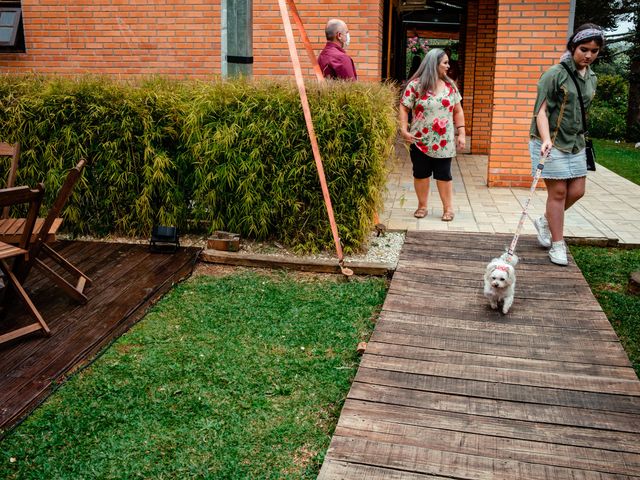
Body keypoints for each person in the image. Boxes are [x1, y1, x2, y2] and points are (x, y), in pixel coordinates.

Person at [530, 23, 604, 266]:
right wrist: (547, 138)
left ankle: (545, 220)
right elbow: (540, 112)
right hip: (550, 141)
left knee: (578, 191)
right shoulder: (555, 73)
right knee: (559, 192)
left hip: (576, 142)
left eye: (594, 51)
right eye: (584, 49)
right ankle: (558, 244)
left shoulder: (592, 77)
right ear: (573, 46)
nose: (589, 55)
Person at [398, 48, 466, 221]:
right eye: (445, 63)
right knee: (420, 174)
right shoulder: (415, 86)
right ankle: (422, 206)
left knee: (444, 175)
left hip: (443, 141)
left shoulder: (450, 87)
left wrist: (462, 133)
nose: (448, 66)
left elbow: (458, 111)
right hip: (419, 139)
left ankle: (448, 209)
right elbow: (404, 108)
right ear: (433, 64)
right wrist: (404, 129)